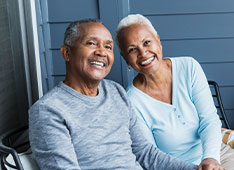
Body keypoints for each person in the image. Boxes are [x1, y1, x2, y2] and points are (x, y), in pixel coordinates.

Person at [29, 19, 198, 170]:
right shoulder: (48, 111)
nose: (102, 52)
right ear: (67, 53)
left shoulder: (116, 92)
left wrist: (194, 169)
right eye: (91, 43)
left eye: (108, 46)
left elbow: (145, 153)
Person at [115, 14, 225, 170]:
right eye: (132, 49)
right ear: (125, 59)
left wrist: (210, 159)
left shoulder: (189, 67)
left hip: (214, 155)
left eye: (147, 42)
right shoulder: (131, 101)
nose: (143, 53)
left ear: (158, 41)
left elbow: (209, 120)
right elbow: (151, 157)